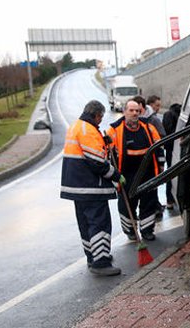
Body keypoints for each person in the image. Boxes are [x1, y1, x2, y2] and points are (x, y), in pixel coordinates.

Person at [60, 100, 124, 276]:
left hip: (76, 187)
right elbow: (97, 161)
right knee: (99, 223)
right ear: (96, 115)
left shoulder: (77, 126)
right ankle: (101, 262)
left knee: (86, 224)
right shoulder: (88, 130)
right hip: (91, 187)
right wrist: (116, 175)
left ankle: (92, 257)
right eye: (100, 117)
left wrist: (104, 142)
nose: (101, 120)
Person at [106, 99, 164, 241]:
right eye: (131, 110)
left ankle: (147, 231)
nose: (134, 113)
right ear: (124, 111)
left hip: (147, 174)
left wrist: (161, 166)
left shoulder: (148, 128)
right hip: (126, 176)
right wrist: (115, 175)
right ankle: (130, 231)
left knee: (149, 203)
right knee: (127, 206)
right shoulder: (114, 131)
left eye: (137, 111)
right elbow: (108, 154)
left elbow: (159, 147)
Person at [162, 103, 182, 209]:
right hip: (180, 147)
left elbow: (166, 132)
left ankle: (170, 199)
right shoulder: (180, 115)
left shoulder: (168, 114)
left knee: (170, 172)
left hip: (170, 148)